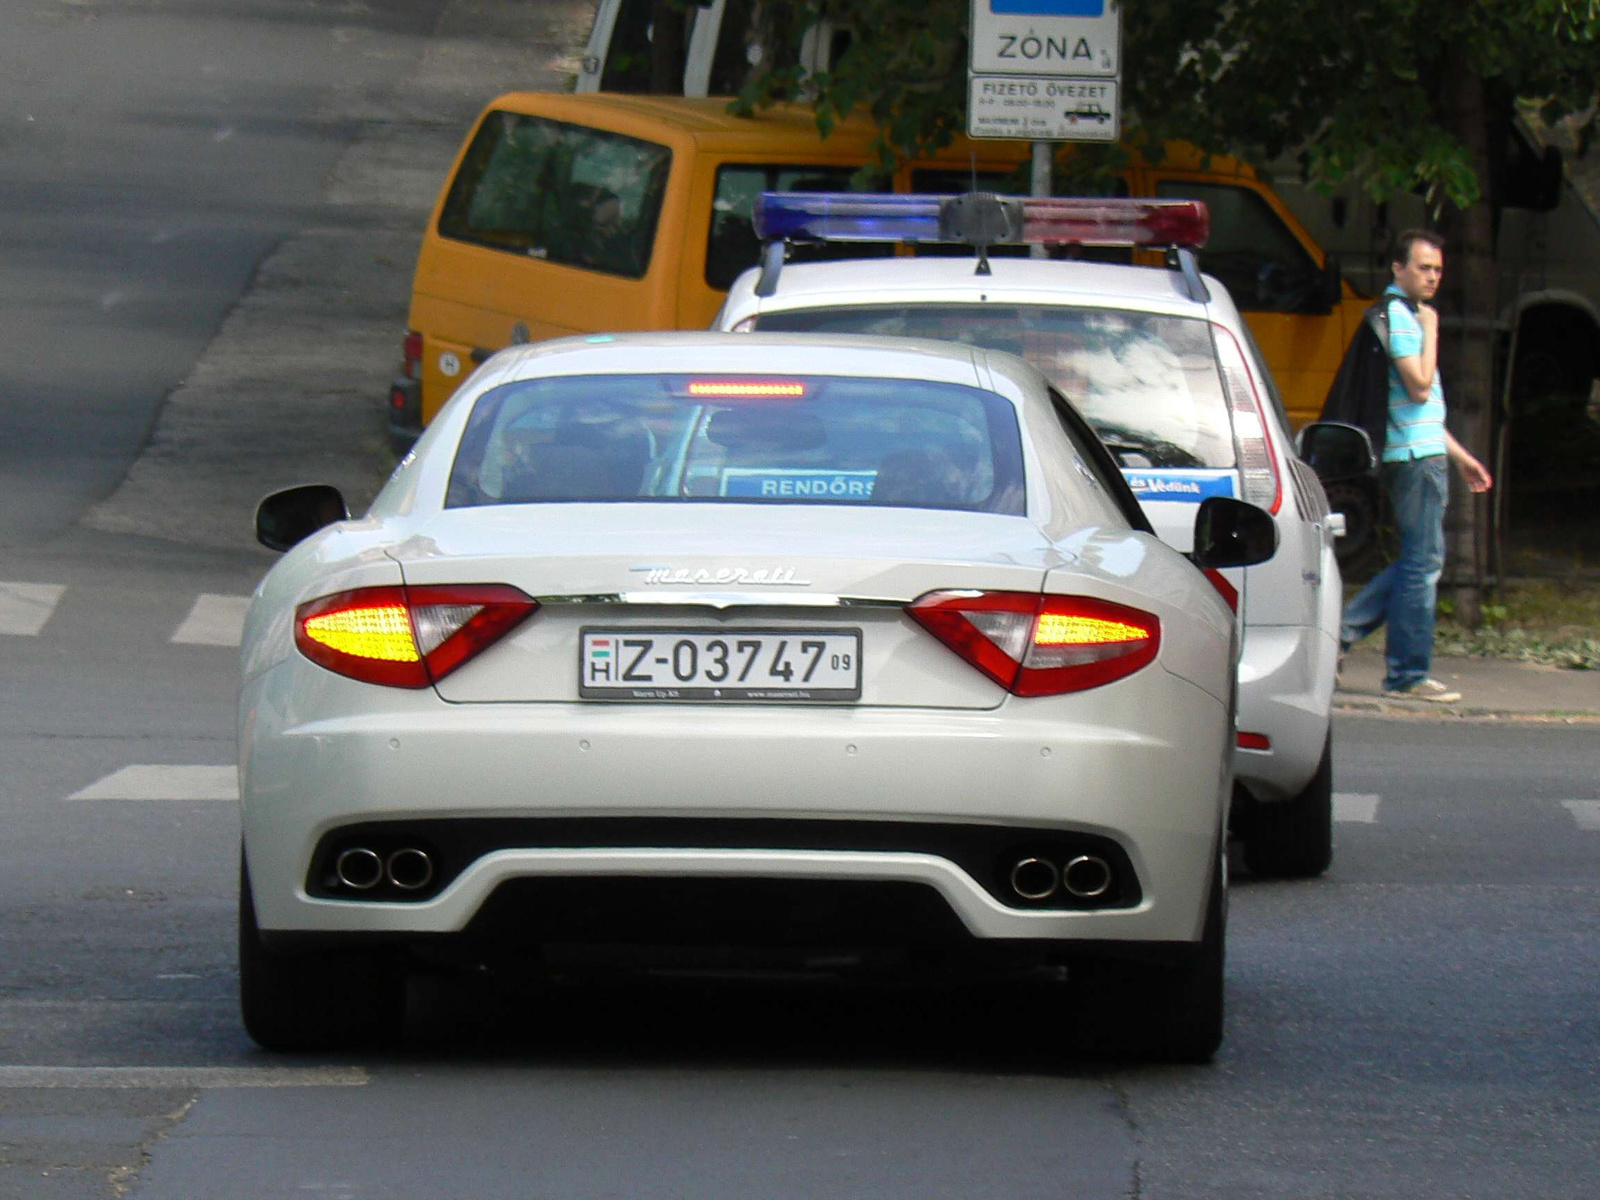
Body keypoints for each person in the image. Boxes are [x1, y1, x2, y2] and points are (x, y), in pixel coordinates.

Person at [1340, 229, 1493, 703]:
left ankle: (1339, 634)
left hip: (1421, 452)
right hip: (1413, 461)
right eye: (1423, 267)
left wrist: (1461, 456)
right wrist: (1432, 331)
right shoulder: (1407, 320)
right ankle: (1407, 674)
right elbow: (1420, 388)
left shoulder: (1402, 315)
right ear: (1398, 268)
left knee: (1417, 561)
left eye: (1437, 269)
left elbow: (1422, 412)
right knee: (1422, 564)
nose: (1432, 277)